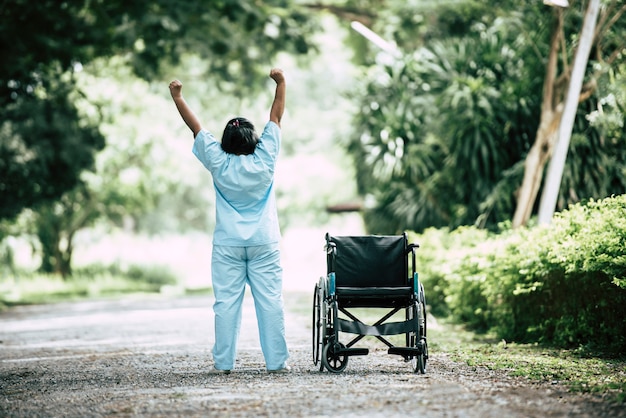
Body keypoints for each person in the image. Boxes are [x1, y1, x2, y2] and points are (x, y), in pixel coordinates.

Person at [169, 68, 289, 374]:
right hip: (265, 242)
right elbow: (275, 117)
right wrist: (281, 83)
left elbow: (195, 127)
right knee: (271, 303)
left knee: (225, 304)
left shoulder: (218, 162)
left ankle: (223, 363)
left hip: (228, 245)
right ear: (253, 140)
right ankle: (276, 363)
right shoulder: (265, 159)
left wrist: (178, 97)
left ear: (226, 140)